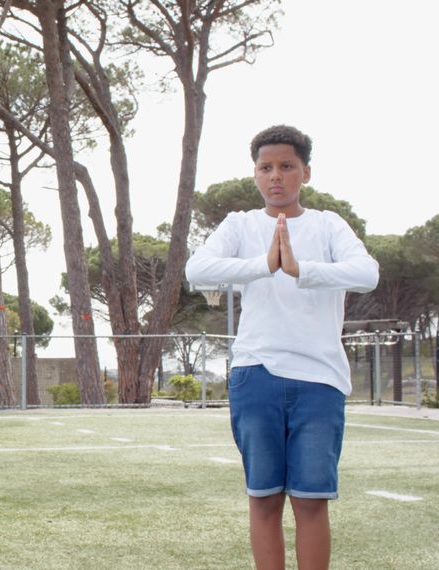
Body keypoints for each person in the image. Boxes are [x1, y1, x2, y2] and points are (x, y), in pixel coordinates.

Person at [185, 125, 378, 570]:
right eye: (265, 167)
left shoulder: (329, 225)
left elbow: (367, 274)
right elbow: (198, 270)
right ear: (255, 174)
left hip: (320, 381)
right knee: (265, 498)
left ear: (305, 172)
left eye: (287, 166)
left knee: (311, 502)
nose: (276, 176)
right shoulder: (241, 225)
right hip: (256, 375)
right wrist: (263, 265)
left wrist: (300, 269)